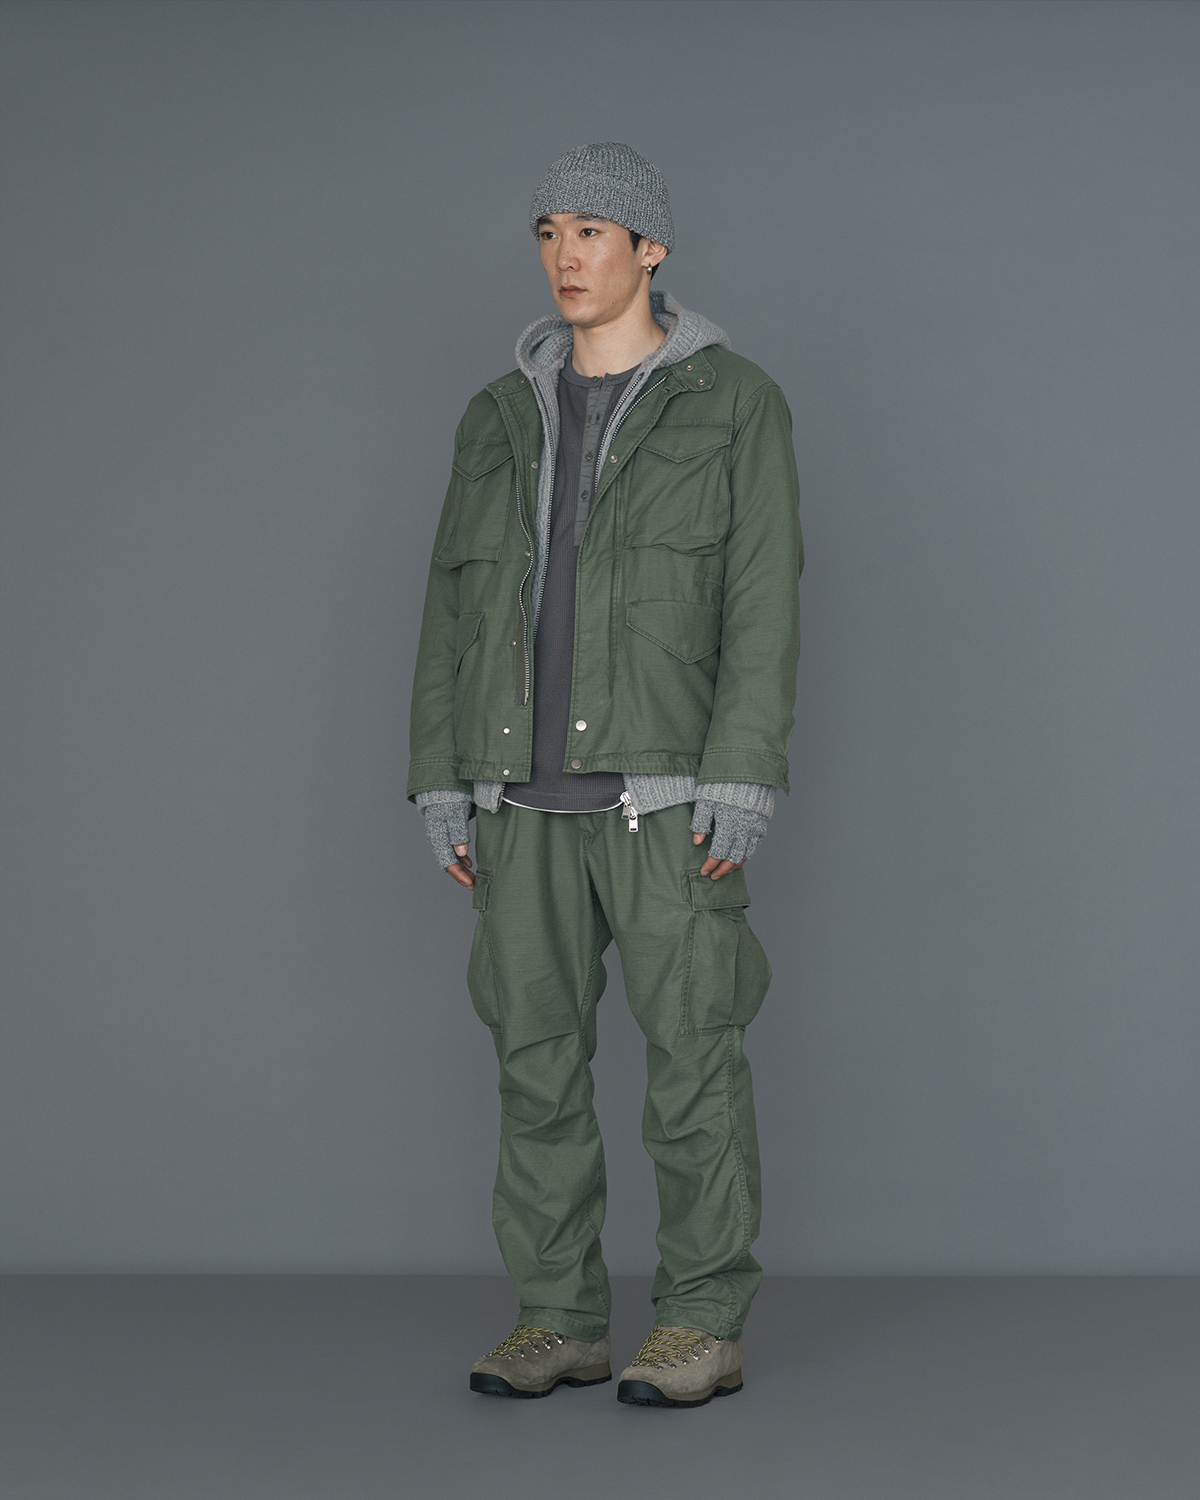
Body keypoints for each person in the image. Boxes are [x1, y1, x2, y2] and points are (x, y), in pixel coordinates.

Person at [407, 142, 802, 1409]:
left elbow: (762, 601)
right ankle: (560, 1318)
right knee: (534, 1069)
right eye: (549, 232)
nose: (565, 256)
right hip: (516, 805)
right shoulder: (496, 415)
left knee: (693, 1065)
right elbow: (451, 612)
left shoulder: (734, 402)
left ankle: (701, 1322)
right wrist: (440, 776)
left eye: (591, 231)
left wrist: (744, 774)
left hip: (667, 801)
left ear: (650, 249)